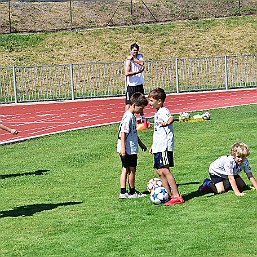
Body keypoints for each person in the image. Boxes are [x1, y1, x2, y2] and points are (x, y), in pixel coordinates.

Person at [148, 88, 184, 205]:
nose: (149, 103)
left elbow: (171, 118)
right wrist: (153, 145)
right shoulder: (157, 112)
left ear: (159, 101)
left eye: (151, 100)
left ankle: (177, 195)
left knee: (165, 170)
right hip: (158, 146)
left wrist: (167, 123)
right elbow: (157, 131)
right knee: (159, 171)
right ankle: (168, 195)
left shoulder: (164, 110)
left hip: (164, 146)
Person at [117, 92, 148, 199]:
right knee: (130, 170)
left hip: (130, 147)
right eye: (140, 108)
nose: (141, 111)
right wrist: (123, 148)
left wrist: (141, 144)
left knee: (126, 169)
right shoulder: (128, 116)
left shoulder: (132, 116)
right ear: (134, 105)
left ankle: (123, 192)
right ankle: (131, 192)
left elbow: (133, 133)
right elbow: (123, 133)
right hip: (128, 148)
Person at [125, 43, 145, 122]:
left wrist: (134, 59)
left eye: (136, 51)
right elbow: (126, 73)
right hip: (131, 85)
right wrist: (136, 72)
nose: (135, 52)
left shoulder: (139, 56)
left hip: (139, 84)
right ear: (131, 51)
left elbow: (142, 63)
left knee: (141, 102)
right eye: (133, 51)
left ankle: (142, 118)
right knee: (129, 103)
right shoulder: (128, 60)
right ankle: (127, 118)